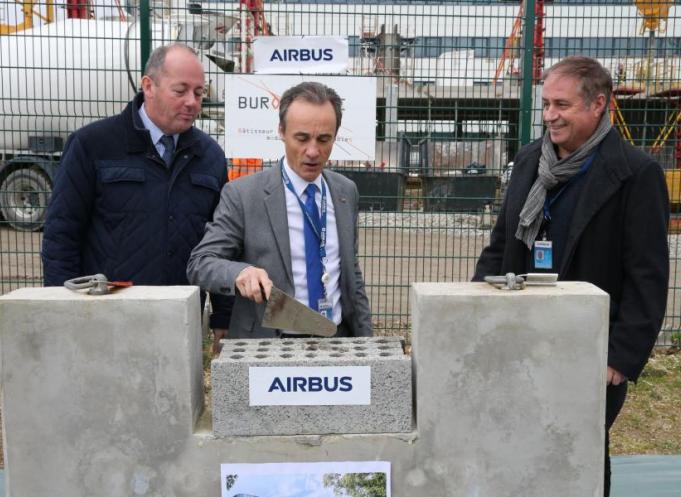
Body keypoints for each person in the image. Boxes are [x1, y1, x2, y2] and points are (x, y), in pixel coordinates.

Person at [473, 56, 669, 496]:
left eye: (561, 104)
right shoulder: (528, 162)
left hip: (591, 352)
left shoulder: (636, 175)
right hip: (520, 338)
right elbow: (500, 247)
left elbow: (648, 276)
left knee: (577, 453)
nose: (549, 116)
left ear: (598, 104)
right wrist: (473, 316)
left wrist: (619, 357)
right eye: (545, 104)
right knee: (516, 444)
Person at [42, 43, 232, 338]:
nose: (192, 102)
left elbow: (222, 243)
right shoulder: (93, 145)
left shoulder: (210, 157)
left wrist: (223, 316)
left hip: (179, 322)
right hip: (105, 318)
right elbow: (61, 235)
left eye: (199, 92)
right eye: (180, 91)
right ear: (149, 86)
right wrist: (61, 311)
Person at [187, 81, 372, 339]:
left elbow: (351, 274)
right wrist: (240, 272)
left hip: (337, 338)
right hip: (272, 343)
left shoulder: (345, 191)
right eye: (302, 138)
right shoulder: (243, 195)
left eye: (324, 139)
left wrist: (367, 343)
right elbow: (201, 263)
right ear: (282, 131)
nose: (313, 151)